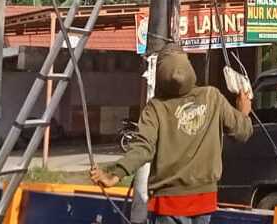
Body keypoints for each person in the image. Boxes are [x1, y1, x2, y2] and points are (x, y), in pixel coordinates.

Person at [90, 45, 252, 224]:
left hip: (168, 201)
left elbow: (142, 147)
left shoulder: (156, 107)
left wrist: (115, 174)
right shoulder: (212, 97)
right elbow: (243, 132)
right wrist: (243, 112)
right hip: (204, 198)